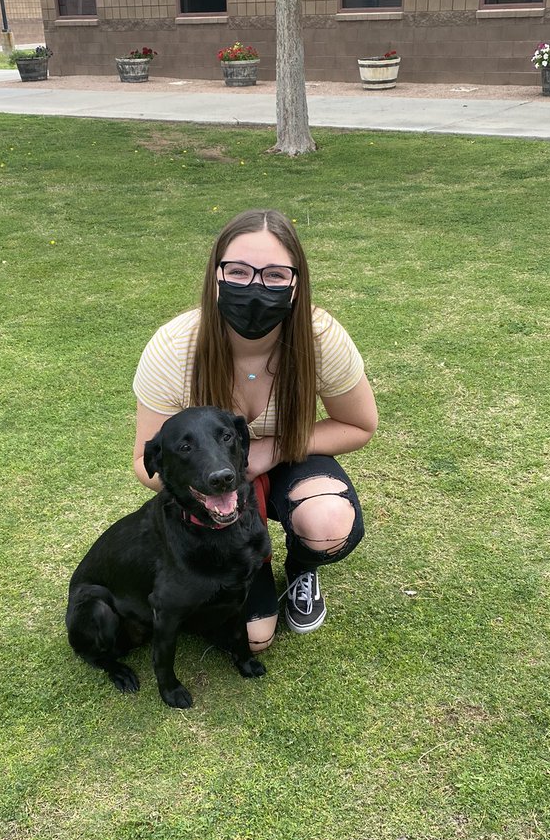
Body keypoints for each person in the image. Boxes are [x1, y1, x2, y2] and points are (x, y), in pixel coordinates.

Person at [132, 208, 378, 652]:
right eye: (239, 272)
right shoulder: (173, 348)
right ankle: (240, 558)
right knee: (254, 638)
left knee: (328, 523)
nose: (255, 288)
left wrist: (273, 449)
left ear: (297, 283)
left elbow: (359, 424)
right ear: (215, 275)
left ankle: (301, 566)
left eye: (275, 275)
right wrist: (210, 498)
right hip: (214, 483)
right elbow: (142, 462)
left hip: (290, 456)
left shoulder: (320, 337)